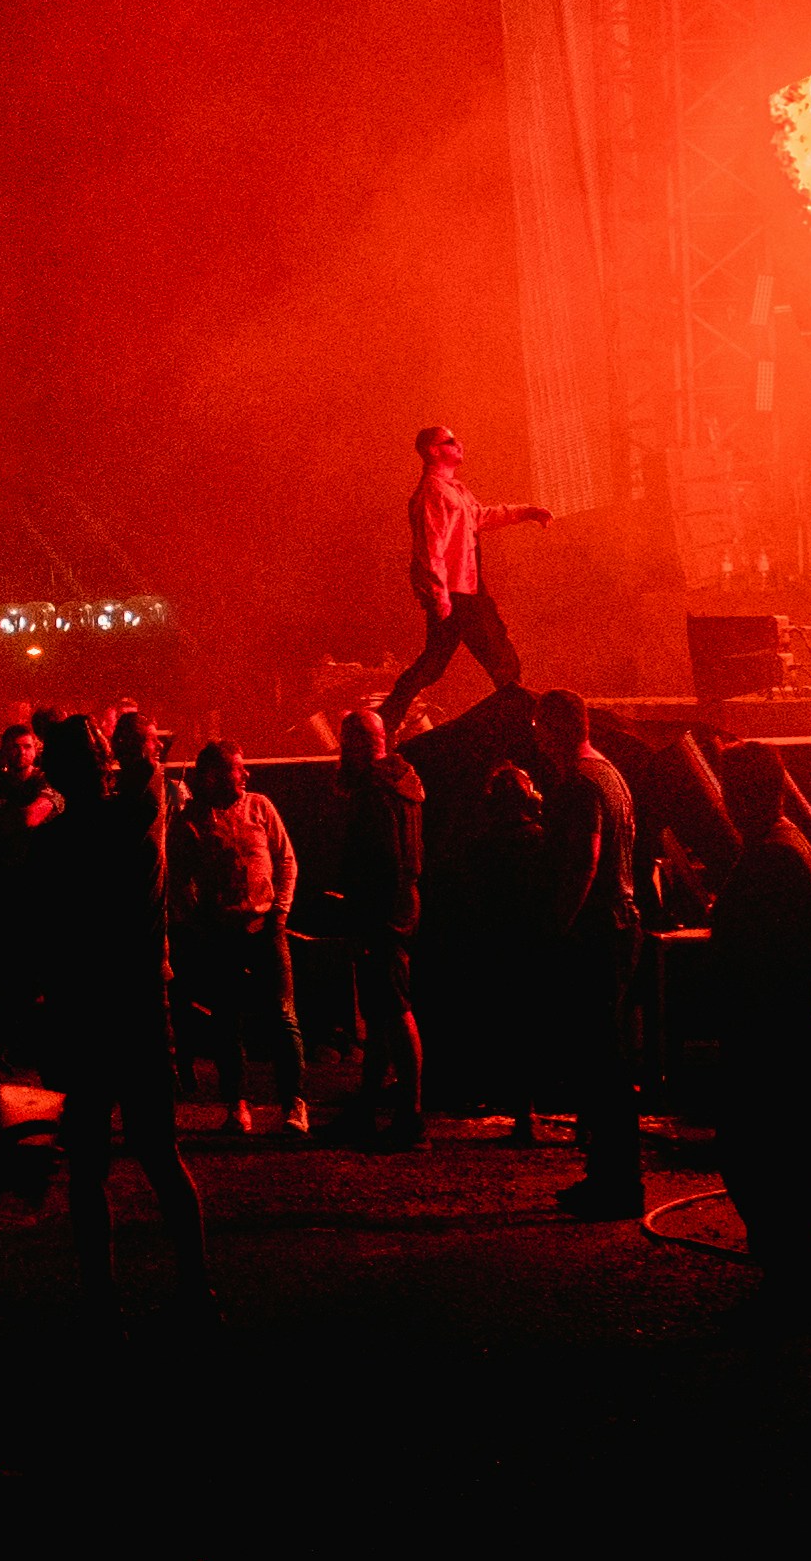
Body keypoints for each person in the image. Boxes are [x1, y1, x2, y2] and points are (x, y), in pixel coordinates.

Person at [27, 712, 203, 1305]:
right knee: (161, 1154)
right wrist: (131, 745)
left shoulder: (53, 840)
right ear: (105, 764)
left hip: (82, 1009)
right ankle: (195, 1289)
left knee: (87, 1167)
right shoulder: (138, 816)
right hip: (138, 1003)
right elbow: (150, 769)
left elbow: (45, 934)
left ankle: (102, 1301)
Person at [708, 746, 811, 1317]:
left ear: (744, 794)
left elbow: (763, 955)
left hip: (772, 1031)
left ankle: (794, 1286)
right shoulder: (785, 848)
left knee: (762, 1159)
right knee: (781, 1164)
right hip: (786, 1028)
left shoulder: (771, 857)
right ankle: (794, 1283)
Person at [531, 687, 646, 1221]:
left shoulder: (578, 784)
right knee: (613, 1058)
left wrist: (557, 924)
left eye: (538, 728)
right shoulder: (611, 774)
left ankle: (614, 1183)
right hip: (623, 924)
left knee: (601, 1061)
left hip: (597, 931)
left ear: (551, 728)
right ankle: (612, 1176)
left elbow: (584, 860)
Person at [374, 421, 544, 731]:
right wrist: (440, 597)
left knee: (434, 665)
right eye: (451, 441)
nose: (459, 445)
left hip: (463, 589)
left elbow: (480, 517)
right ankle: (520, 725)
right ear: (433, 450)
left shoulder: (455, 490)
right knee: (502, 659)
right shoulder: (432, 493)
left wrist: (526, 512)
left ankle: (385, 719)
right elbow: (430, 546)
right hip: (458, 594)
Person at [173, 734, 302, 1137]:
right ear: (213, 775)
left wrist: (280, 911)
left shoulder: (260, 807)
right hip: (221, 933)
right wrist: (197, 920)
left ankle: (294, 1106)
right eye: (237, 766)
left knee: (283, 1018)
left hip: (266, 928)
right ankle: (237, 1106)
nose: (245, 773)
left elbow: (286, 860)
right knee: (228, 1021)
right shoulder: (191, 819)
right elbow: (178, 877)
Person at [305, 707, 422, 1143]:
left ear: (357, 743)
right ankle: (368, 1109)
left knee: (395, 1010)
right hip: (397, 907)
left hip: (382, 914)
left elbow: (383, 860)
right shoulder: (403, 783)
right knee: (379, 1013)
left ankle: (411, 1119)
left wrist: (367, 914)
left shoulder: (375, 791)